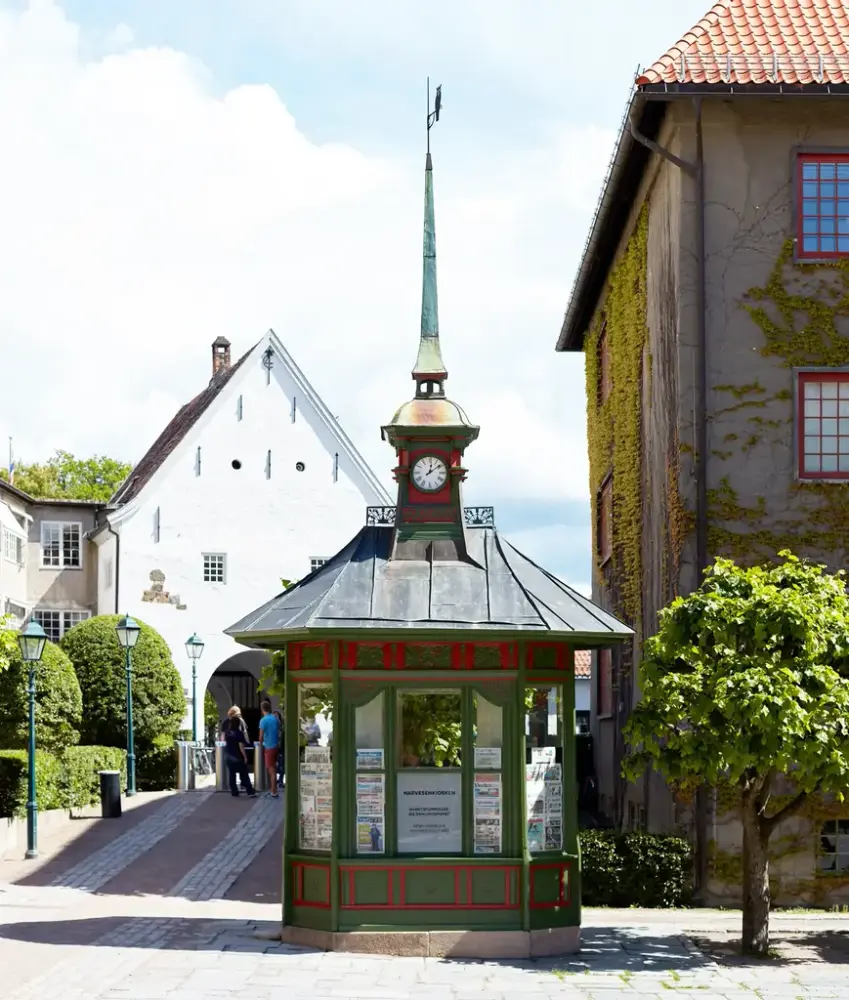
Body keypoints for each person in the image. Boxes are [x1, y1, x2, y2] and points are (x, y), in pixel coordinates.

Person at [220, 706, 254, 798]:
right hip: (238, 755)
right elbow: (241, 745)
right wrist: (245, 756)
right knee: (244, 773)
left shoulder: (226, 729)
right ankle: (250, 791)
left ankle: (234, 792)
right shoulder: (239, 731)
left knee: (232, 773)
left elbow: (222, 738)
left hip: (228, 754)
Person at [258, 700, 280, 799]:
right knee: (273, 768)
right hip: (276, 746)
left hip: (269, 747)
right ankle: (273, 790)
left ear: (262, 709)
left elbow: (261, 735)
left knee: (271, 771)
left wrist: (260, 743)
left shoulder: (263, 720)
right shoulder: (274, 718)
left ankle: (273, 792)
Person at [272, 708, 285, 785]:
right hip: (274, 747)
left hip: (280, 747)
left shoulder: (281, 726)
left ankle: (280, 780)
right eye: (274, 717)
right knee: (275, 764)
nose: (275, 718)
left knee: (281, 764)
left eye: (277, 716)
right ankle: (277, 779)